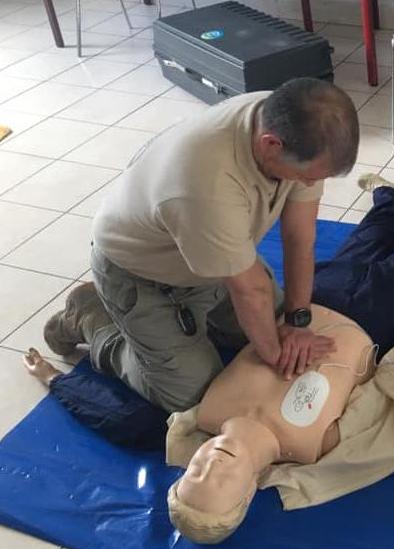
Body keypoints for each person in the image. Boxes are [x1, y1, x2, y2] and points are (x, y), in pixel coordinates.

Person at [24, 174, 394, 544]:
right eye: (220, 483)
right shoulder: (313, 447)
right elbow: (379, 410)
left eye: (194, 473)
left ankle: (392, 200)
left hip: (305, 310)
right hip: (373, 326)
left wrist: (54, 379)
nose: (210, 466)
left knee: (362, 247)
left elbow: (118, 419)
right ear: (248, 494)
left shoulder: (200, 415)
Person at [43, 78, 361, 413]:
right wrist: (276, 358)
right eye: (308, 176)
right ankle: (89, 315)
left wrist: (297, 321)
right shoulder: (206, 182)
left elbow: (300, 237)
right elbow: (251, 291)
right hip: (141, 276)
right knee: (193, 396)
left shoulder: (295, 122)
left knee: (274, 328)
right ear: (271, 145)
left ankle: (195, 323)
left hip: (209, 260)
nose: (311, 183)